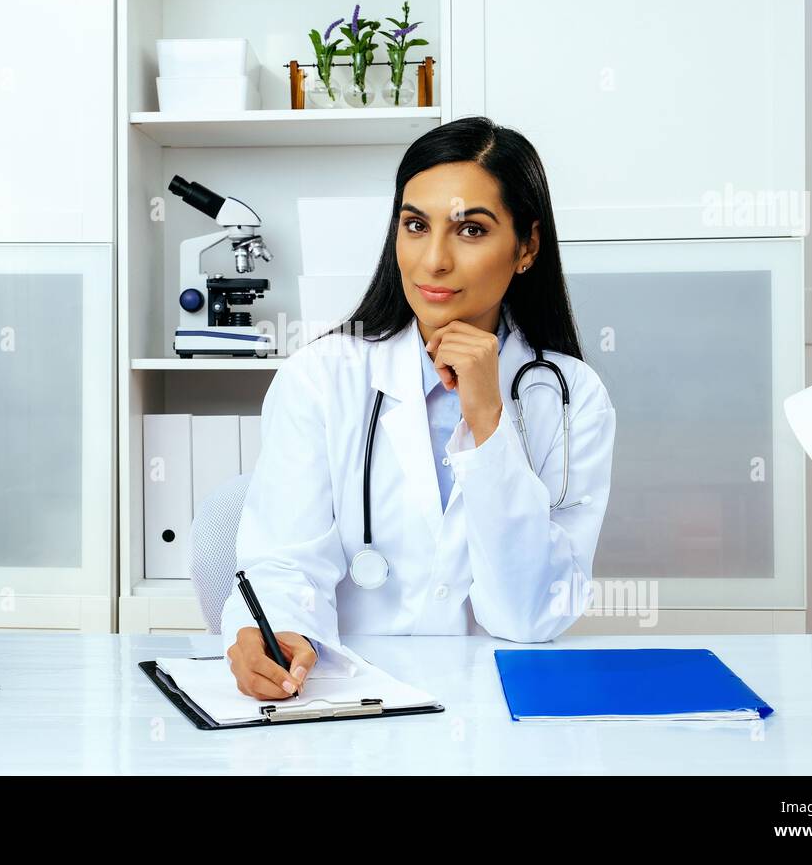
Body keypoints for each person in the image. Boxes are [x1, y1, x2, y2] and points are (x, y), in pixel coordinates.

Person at [222, 115, 616, 700]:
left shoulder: (569, 397)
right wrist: (277, 631)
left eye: (471, 230)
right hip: (348, 708)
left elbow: (528, 617)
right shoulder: (322, 377)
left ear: (527, 246)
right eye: (415, 225)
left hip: (500, 715)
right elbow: (282, 565)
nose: (433, 260)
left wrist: (488, 421)